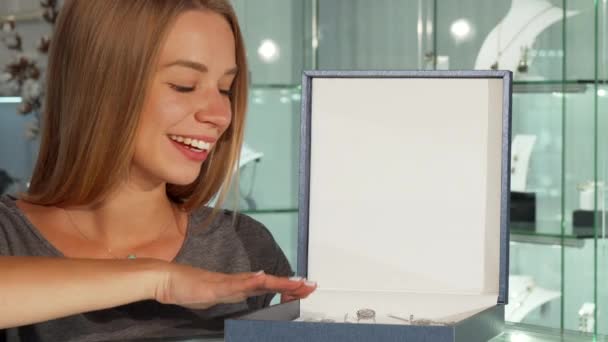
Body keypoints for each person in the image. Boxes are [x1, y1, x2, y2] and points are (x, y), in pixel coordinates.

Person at [0, 1, 316, 341]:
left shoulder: (244, 247)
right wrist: (158, 279)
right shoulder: (10, 238)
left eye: (225, 89)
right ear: (99, 85)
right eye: (184, 85)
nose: (220, 115)